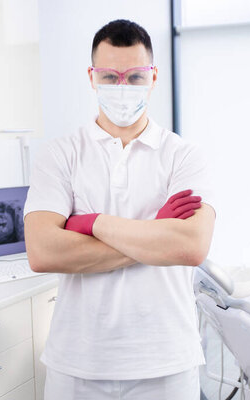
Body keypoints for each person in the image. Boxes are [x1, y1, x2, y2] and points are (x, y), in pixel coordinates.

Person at [23, 19, 216, 400]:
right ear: (92, 78)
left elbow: (191, 247)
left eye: (135, 77)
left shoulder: (185, 156)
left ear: (154, 76)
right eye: (110, 77)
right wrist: (154, 232)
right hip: (77, 365)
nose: (122, 88)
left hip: (166, 364)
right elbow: (43, 252)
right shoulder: (60, 154)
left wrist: (90, 222)